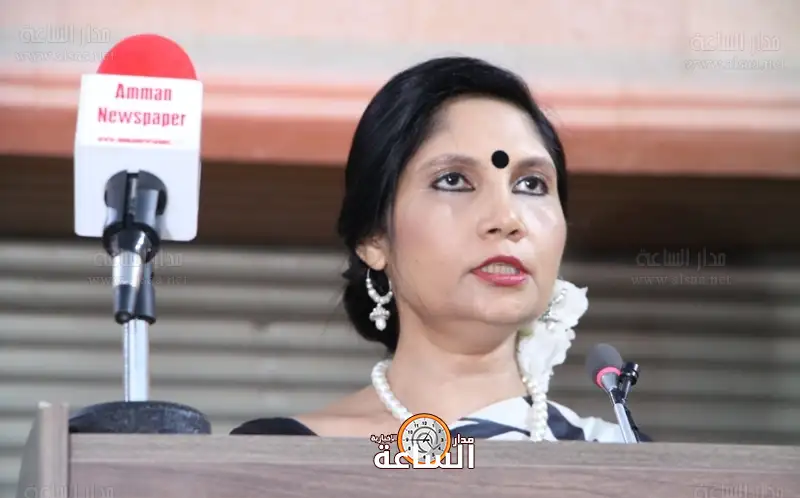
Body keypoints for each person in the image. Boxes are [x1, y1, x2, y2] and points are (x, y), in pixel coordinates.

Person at [232, 56, 634, 443]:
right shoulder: (285, 455)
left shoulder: (622, 457)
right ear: (373, 238)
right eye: (454, 180)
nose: (507, 218)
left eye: (531, 184)